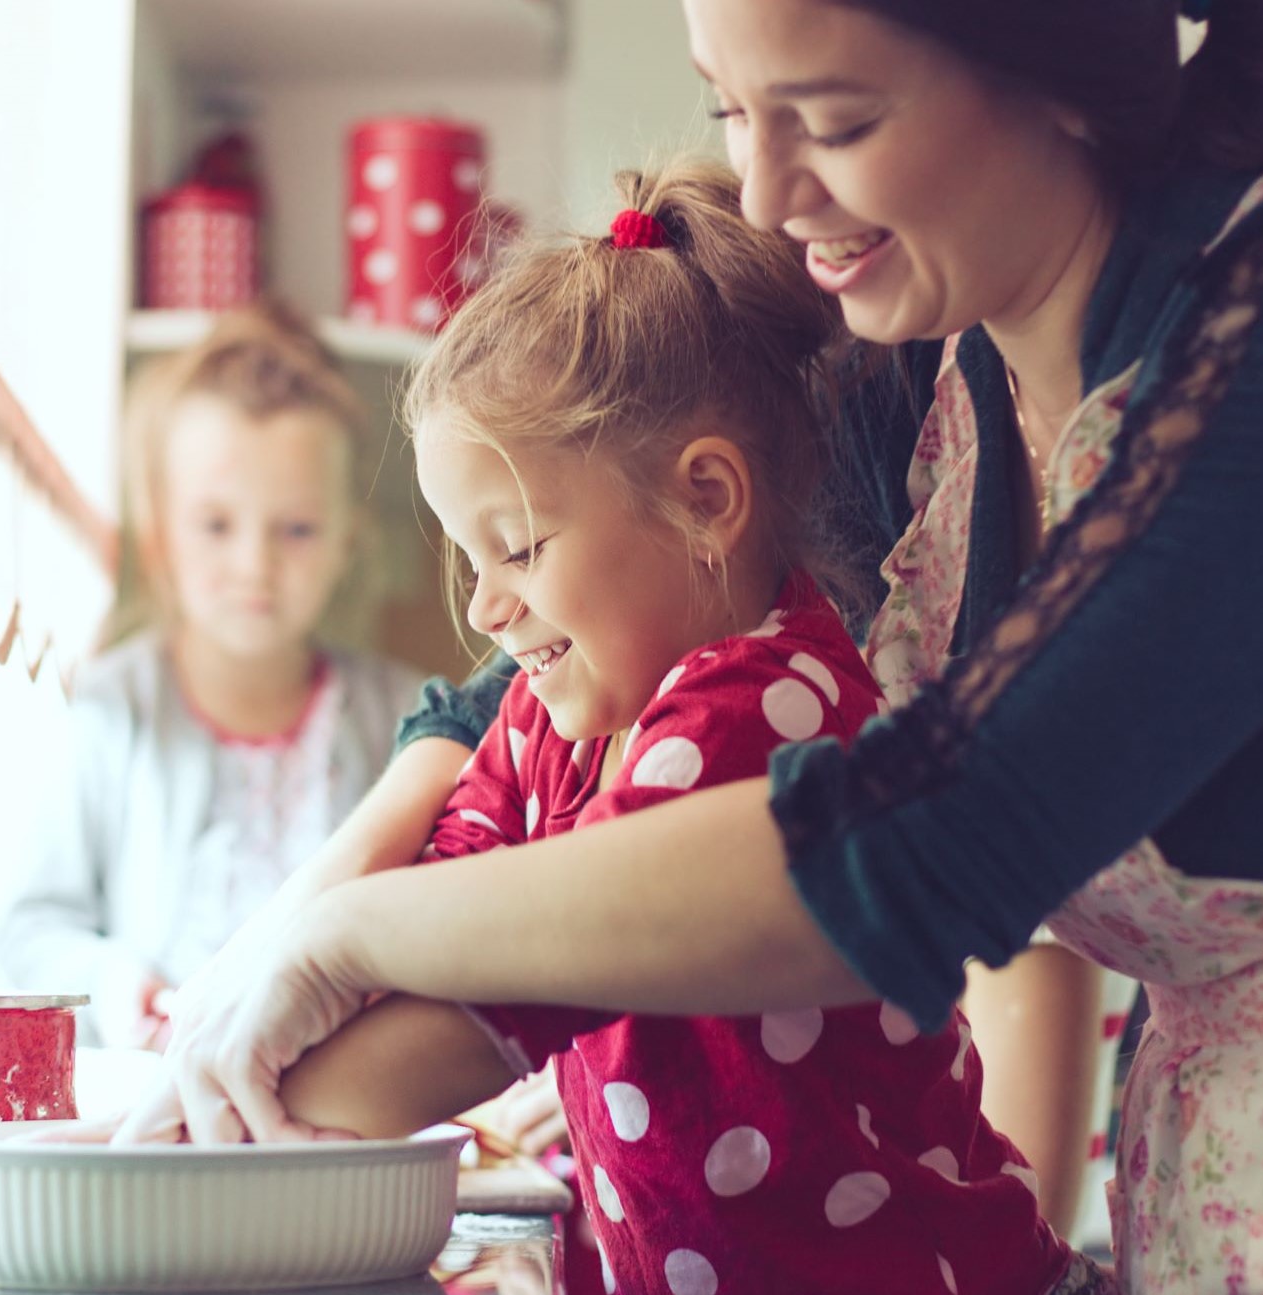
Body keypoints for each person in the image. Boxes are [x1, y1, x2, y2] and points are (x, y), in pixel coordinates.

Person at [133, 1, 1263, 1288]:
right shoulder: (928, 361)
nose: (767, 193)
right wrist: (302, 926)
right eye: (729, 110)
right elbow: (529, 674)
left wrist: (356, 943)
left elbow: (924, 847)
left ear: (1049, 69)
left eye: (832, 120)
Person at [266, 159, 1101, 1295]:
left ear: (705, 500)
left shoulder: (762, 705)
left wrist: (248, 1078)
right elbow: (456, 865)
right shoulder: (558, 711)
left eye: (516, 548)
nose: (481, 604)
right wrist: (290, 971)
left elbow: (503, 990)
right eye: (469, 558)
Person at [0, 304, 422, 1049]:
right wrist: (120, 986)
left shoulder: (409, 720)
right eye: (216, 525)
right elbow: (34, 925)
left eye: (295, 529)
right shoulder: (111, 709)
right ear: (160, 536)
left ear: (345, 542)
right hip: (157, 1099)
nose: (253, 566)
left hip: (343, 1104)